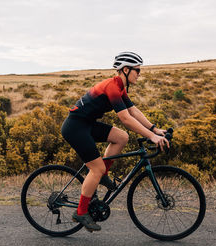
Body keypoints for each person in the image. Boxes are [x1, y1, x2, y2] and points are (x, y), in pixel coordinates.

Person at [61, 51, 169, 232]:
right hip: (75, 127)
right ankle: (81, 212)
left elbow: (133, 111)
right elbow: (126, 119)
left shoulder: (120, 87)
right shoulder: (112, 86)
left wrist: (154, 129)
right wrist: (152, 137)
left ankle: (102, 176)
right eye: (137, 71)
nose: (139, 74)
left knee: (121, 137)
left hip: (86, 124)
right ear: (126, 69)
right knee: (96, 168)